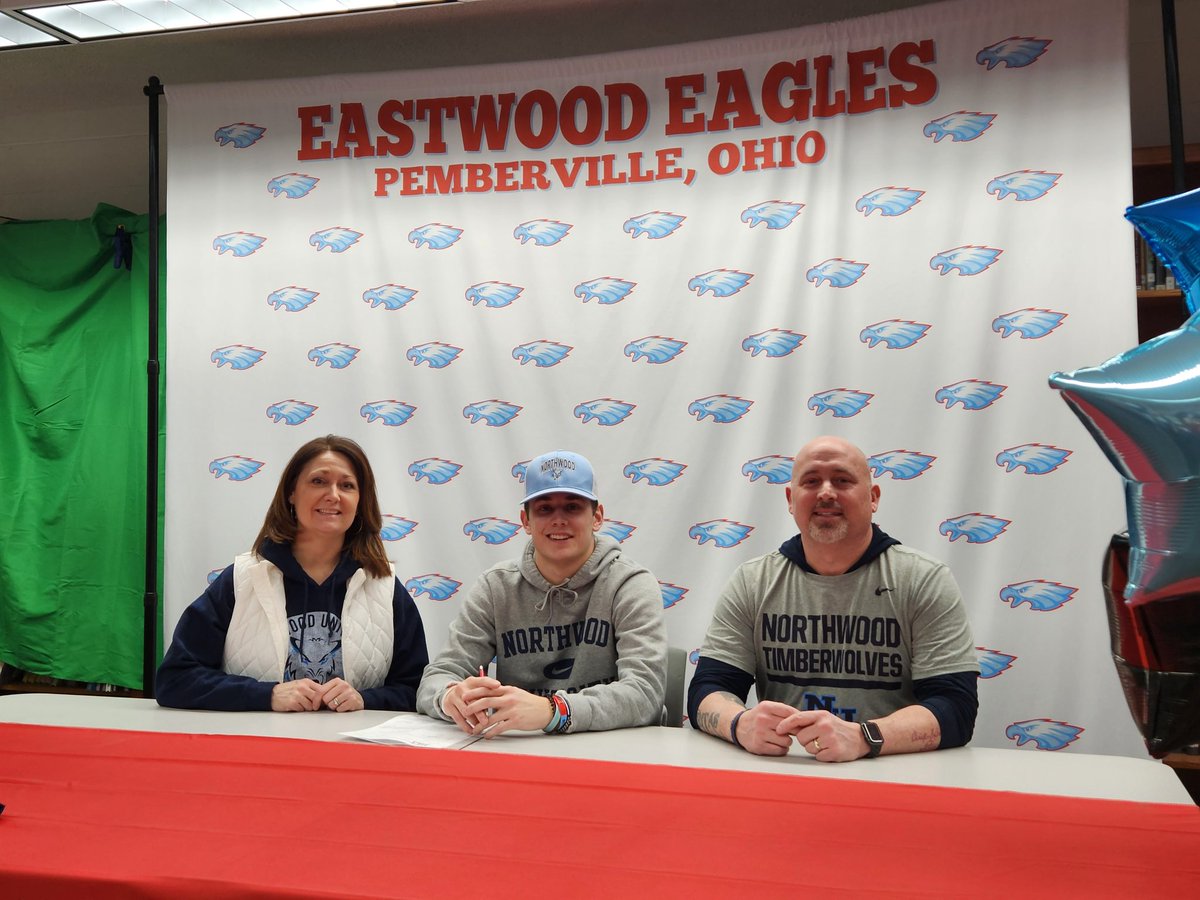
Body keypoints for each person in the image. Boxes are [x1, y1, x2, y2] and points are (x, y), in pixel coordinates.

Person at [687, 435, 978, 761]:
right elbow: (707, 690)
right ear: (790, 499)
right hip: (784, 774)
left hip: (890, 773)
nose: (826, 492)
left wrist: (864, 738)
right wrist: (740, 724)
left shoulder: (924, 579)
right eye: (811, 481)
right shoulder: (752, 582)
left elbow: (956, 708)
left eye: (842, 480)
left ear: (873, 497)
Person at [157, 435, 429, 712]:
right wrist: (267, 696)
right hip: (259, 749)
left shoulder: (385, 588)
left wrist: (365, 699)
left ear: (360, 501)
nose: (333, 495)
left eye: (347, 485)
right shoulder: (243, 580)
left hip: (349, 751)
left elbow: (418, 689)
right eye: (318, 481)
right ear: (291, 493)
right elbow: (175, 679)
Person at [417, 449, 667, 736]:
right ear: (526, 521)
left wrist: (552, 711)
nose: (558, 520)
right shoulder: (495, 587)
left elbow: (646, 694)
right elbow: (437, 676)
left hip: (611, 749)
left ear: (597, 516)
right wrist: (451, 697)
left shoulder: (630, 584)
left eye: (572, 507)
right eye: (544, 509)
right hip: (520, 750)